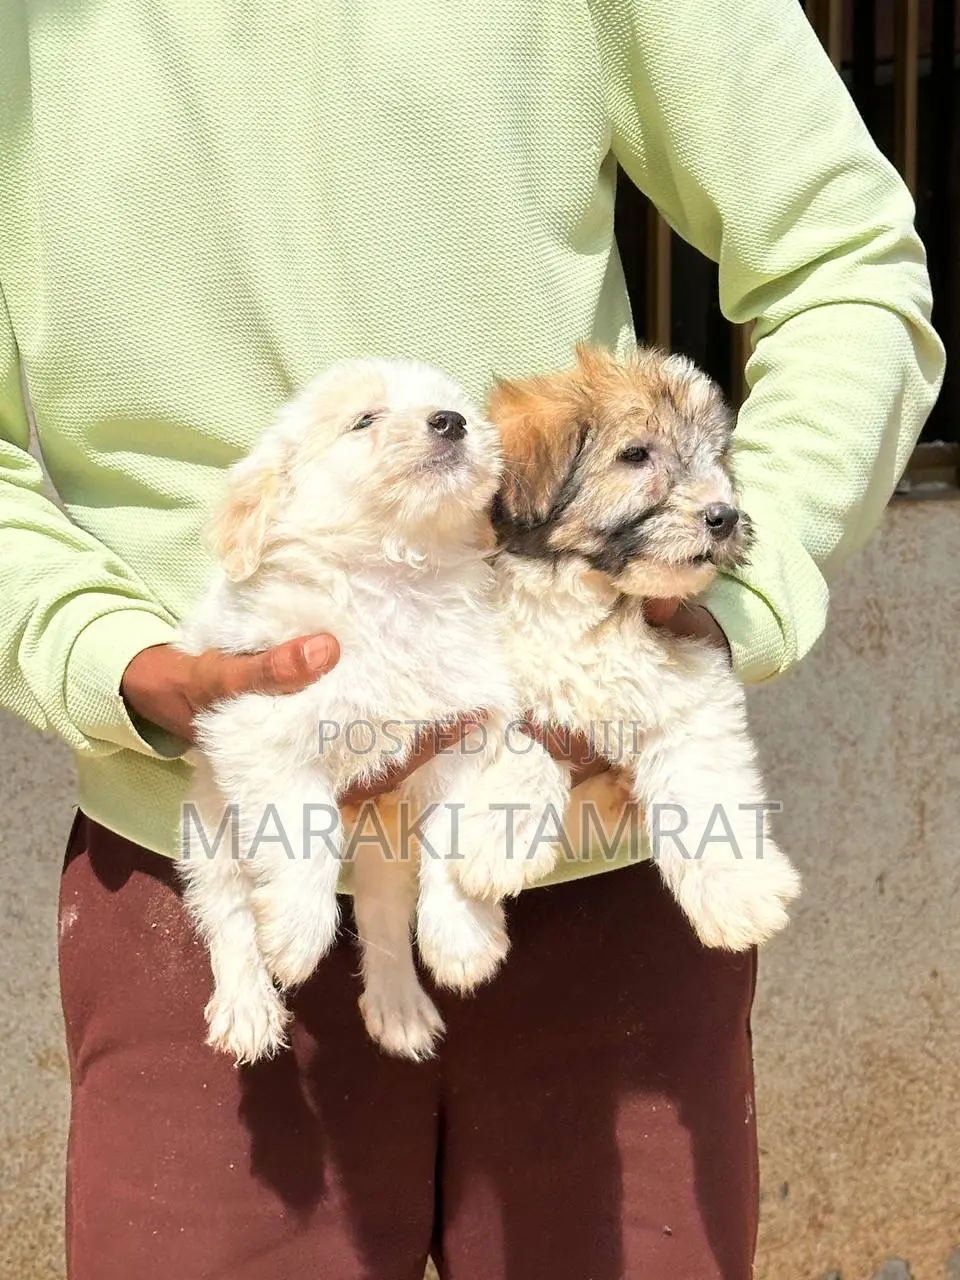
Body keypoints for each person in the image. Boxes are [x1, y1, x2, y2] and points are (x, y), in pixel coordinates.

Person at [0, 0, 943, 1276]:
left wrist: (722, 579)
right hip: (213, 879)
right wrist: (109, 658)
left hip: (590, 867)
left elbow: (847, 254)